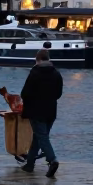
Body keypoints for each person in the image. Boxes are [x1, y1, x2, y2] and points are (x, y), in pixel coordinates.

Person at [20, 49, 64, 178]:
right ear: (48, 59)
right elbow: (58, 94)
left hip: (36, 111)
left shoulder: (34, 73)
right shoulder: (56, 73)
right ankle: (30, 164)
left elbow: (25, 93)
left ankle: (52, 160)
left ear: (37, 59)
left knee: (42, 137)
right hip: (51, 111)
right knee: (38, 137)